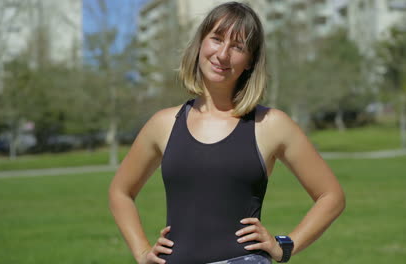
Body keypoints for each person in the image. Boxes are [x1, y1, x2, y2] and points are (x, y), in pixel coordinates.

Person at [108, 2, 345, 264]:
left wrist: (284, 245)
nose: (222, 54)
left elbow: (331, 196)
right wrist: (142, 251)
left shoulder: (270, 124)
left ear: (250, 61)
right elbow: (120, 192)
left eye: (237, 47)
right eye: (217, 39)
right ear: (200, 44)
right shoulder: (163, 124)